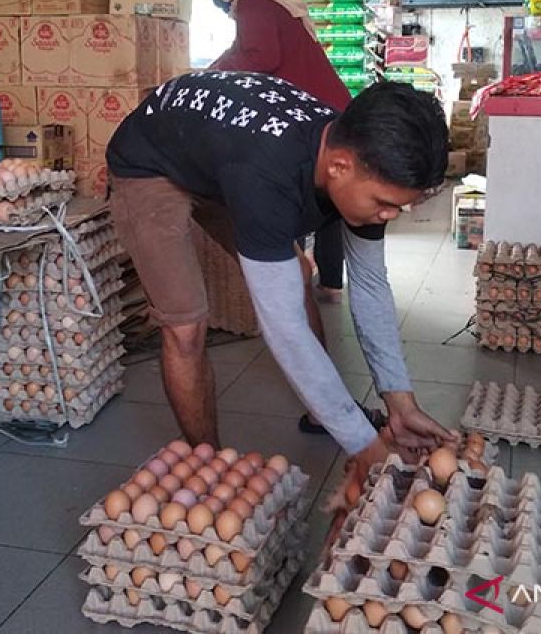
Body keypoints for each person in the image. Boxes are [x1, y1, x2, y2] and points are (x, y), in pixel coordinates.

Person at [106, 73, 457, 477]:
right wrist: (365, 446)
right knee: (186, 326)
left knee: (295, 276)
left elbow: (370, 285)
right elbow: (283, 328)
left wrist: (401, 402)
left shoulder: (363, 156)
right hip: (151, 161)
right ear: (340, 166)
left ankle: (319, 412)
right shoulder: (267, 178)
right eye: (384, 205)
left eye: (399, 208)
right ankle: (209, 466)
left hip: (218, 155)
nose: (388, 217)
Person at [192, 0, 350, 308]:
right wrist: (210, 72)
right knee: (329, 195)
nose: (214, 0)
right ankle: (328, 281)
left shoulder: (252, 1)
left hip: (315, 114)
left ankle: (294, 272)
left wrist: (214, 77)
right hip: (327, 109)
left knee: (306, 193)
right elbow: (240, 51)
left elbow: (261, 58)